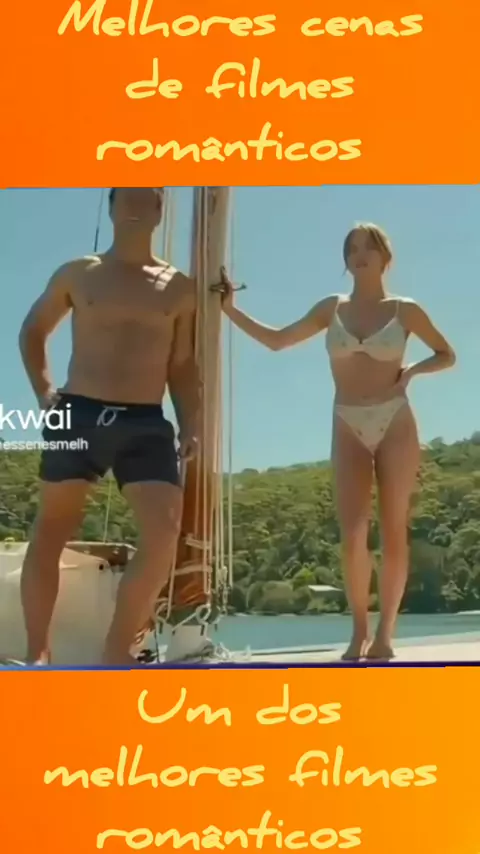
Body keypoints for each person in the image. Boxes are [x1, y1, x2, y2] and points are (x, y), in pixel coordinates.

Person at [218, 224, 456, 661]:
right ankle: (359, 631)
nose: (359, 254)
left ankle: (385, 635)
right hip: (347, 421)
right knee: (352, 535)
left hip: (394, 420)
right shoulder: (332, 308)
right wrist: (230, 309)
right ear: (345, 260)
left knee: (393, 531)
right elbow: (277, 341)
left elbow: (447, 354)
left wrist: (411, 373)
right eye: (351, 249)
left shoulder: (405, 310)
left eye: (369, 247)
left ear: (386, 257)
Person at [18, 187, 201, 665]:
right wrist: (44, 391)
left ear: (160, 212)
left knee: (163, 533)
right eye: (128, 199)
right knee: (52, 527)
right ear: (112, 208)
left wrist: (191, 422)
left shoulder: (179, 288)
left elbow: (182, 365)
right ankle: (38, 655)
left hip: (144, 421)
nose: (137, 208)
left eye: (147, 200)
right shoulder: (80, 273)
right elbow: (34, 329)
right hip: (78, 412)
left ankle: (116, 653)